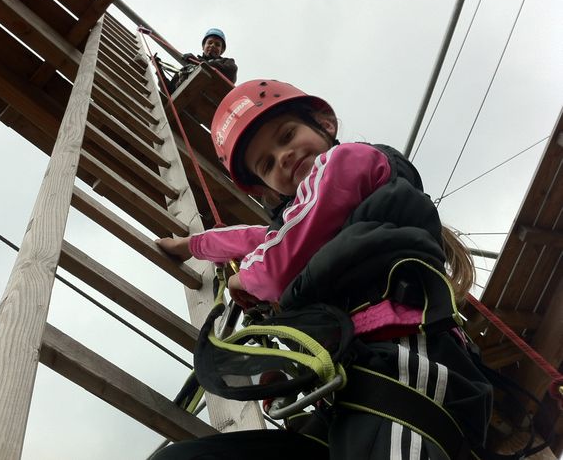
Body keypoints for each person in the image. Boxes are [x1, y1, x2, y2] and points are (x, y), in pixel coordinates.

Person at [154, 79, 492, 459]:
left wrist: (245, 277)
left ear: (325, 124)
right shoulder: (296, 223)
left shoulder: (352, 161)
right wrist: (192, 245)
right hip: (346, 391)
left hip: (402, 357)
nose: (282, 156)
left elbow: (282, 252)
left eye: (287, 135)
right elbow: (258, 238)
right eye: (267, 163)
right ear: (264, 188)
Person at [160, 28, 238, 94]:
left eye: (217, 44)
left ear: (221, 51)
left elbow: (231, 72)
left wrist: (197, 62)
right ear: (203, 46)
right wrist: (160, 72)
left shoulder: (226, 62)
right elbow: (169, 92)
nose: (213, 45)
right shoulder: (188, 67)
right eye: (210, 42)